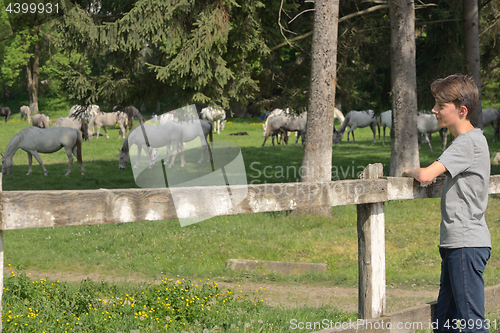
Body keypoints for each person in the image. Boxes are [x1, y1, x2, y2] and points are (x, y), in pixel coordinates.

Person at [403, 74, 491, 333]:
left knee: (472, 323)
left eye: (441, 106)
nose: (434, 110)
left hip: (465, 243)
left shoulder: (466, 142)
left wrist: (407, 171)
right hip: (459, 243)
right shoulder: (473, 140)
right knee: (445, 322)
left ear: (462, 110)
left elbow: (426, 175)